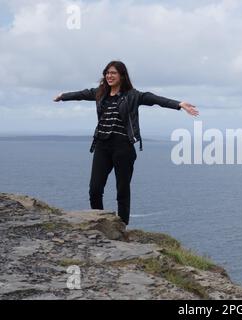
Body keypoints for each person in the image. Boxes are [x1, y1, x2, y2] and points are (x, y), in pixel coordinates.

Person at [54, 60, 198, 226]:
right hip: (102, 145)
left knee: (122, 190)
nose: (109, 76)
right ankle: (100, 223)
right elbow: (82, 94)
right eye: (107, 73)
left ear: (122, 76)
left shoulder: (133, 95)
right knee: (95, 189)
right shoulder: (100, 93)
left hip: (123, 147)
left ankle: (121, 227)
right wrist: (63, 97)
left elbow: (154, 99)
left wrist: (179, 105)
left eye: (113, 73)